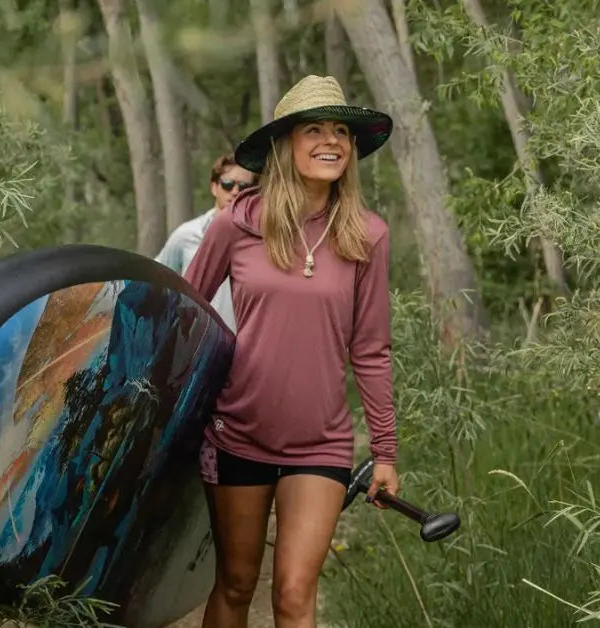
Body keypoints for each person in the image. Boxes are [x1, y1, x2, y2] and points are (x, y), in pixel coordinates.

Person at [182, 75, 401, 628]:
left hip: (321, 443)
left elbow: (371, 350)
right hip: (239, 433)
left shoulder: (366, 235)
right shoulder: (237, 224)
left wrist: (385, 451)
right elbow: (182, 314)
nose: (331, 141)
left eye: (341, 132)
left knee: (295, 593)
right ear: (286, 144)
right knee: (235, 584)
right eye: (314, 129)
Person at [154, 154, 257, 331]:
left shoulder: (259, 240)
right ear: (214, 187)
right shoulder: (187, 235)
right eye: (227, 184)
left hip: (243, 343)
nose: (235, 191)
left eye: (244, 186)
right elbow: (157, 279)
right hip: (198, 341)